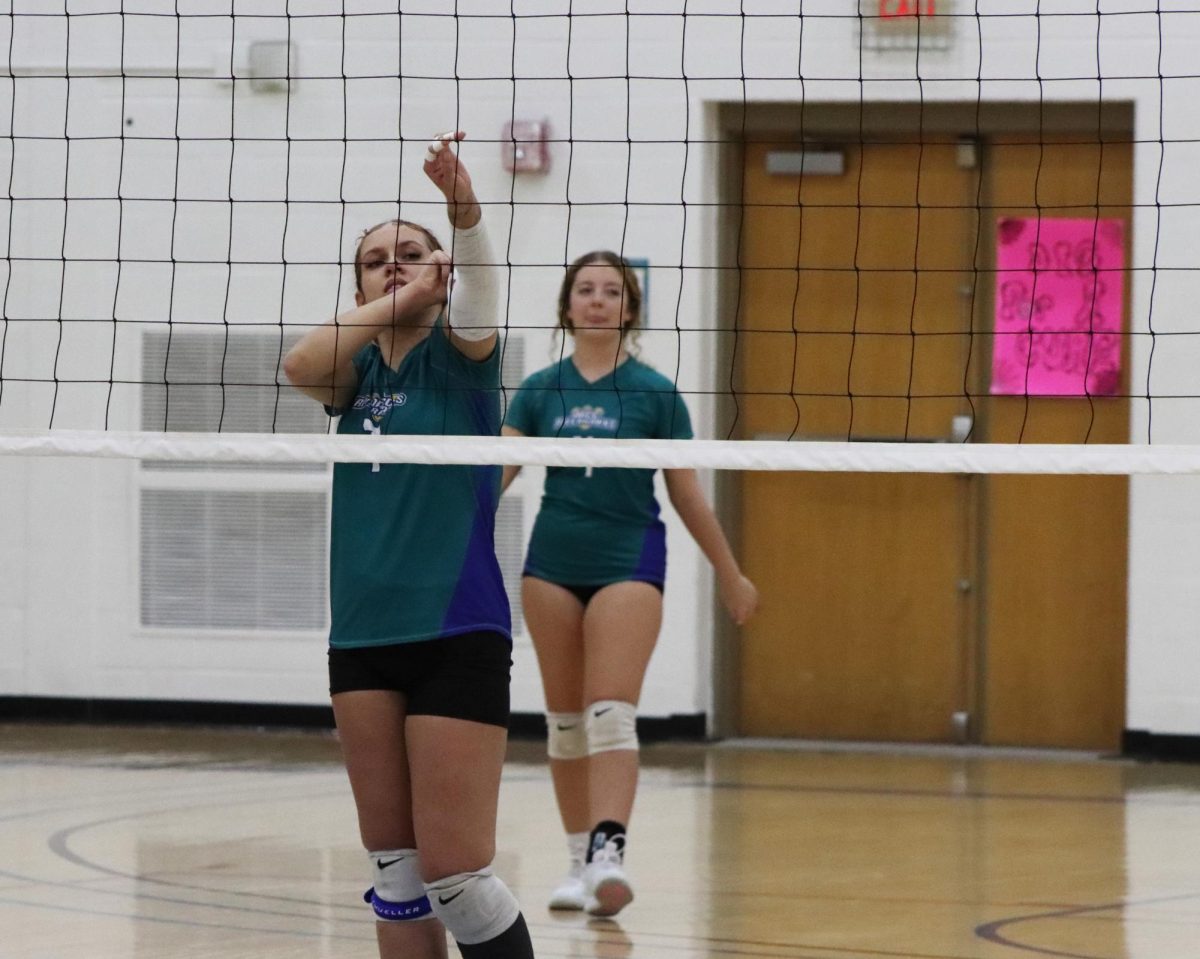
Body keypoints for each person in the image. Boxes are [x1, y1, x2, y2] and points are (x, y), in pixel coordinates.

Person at [283, 131, 534, 959]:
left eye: (412, 252)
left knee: (456, 876)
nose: (395, 264)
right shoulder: (350, 385)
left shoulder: (461, 362)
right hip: (359, 634)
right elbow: (300, 363)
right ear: (358, 285)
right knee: (395, 871)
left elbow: (481, 290)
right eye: (376, 259)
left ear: (443, 268)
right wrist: (402, 291)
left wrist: (460, 212)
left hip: (455, 631)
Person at [500, 251, 759, 918]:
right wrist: (443, 543)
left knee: (609, 712)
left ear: (629, 310)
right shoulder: (538, 389)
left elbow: (688, 496)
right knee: (563, 724)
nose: (596, 300)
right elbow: (491, 478)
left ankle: (610, 854)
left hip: (628, 561)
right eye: (584, 289)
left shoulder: (653, 393)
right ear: (566, 306)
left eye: (611, 291)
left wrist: (730, 573)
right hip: (550, 564)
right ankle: (576, 857)